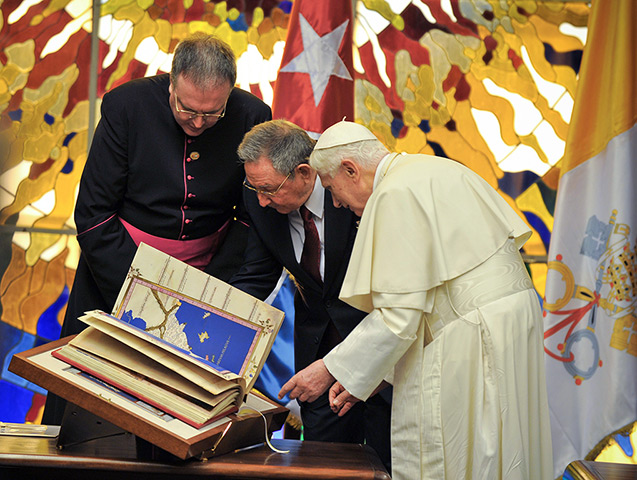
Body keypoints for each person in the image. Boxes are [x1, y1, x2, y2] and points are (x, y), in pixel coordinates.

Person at [279, 120, 554, 479]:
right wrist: (371, 374)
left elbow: (399, 317)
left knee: (461, 455)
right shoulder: (431, 169)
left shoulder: (394, 193)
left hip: (472, 336)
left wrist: (331, 367)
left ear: (351, 170)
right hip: (506, 321)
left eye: (332, 188)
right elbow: (427, 298)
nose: (336, 203)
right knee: (503, 447)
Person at [42, 33, 271, 425]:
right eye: (188, 109)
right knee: (90, 409)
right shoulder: (126, 105)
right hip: (116, 272)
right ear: (172, 80)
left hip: (208, 279)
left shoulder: (252, 115)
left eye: (213, 113)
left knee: (187, 411)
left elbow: (252, 215)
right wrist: (143, 298)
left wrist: (208, 293)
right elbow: (95, 213)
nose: (199, 122)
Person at [230, 119, 392, 471]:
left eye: (270, 189)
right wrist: (223, 328)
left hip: (383, 355)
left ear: (305, 173)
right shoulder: (258, 196)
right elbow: (256, 274)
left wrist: (358, 362)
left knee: (388, 461)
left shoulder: (354, 186)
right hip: (317, 353)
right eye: (254, 187)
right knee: (323, 465)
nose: (261, 200)